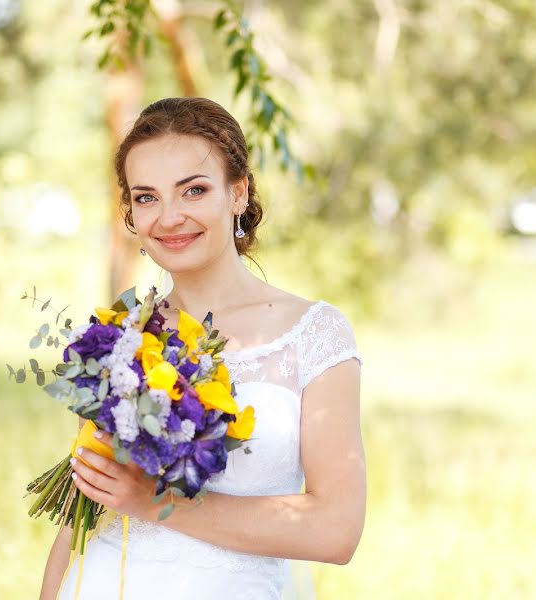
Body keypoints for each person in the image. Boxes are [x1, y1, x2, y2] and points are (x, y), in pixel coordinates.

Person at [41, 96, 366, 600]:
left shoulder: (312, 334)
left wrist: (156, 504)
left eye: (192, 190)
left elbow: (336, 528)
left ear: (238, 193)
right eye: (146, 197)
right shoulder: (121, 337)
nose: (169, 217)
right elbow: (80, 518)